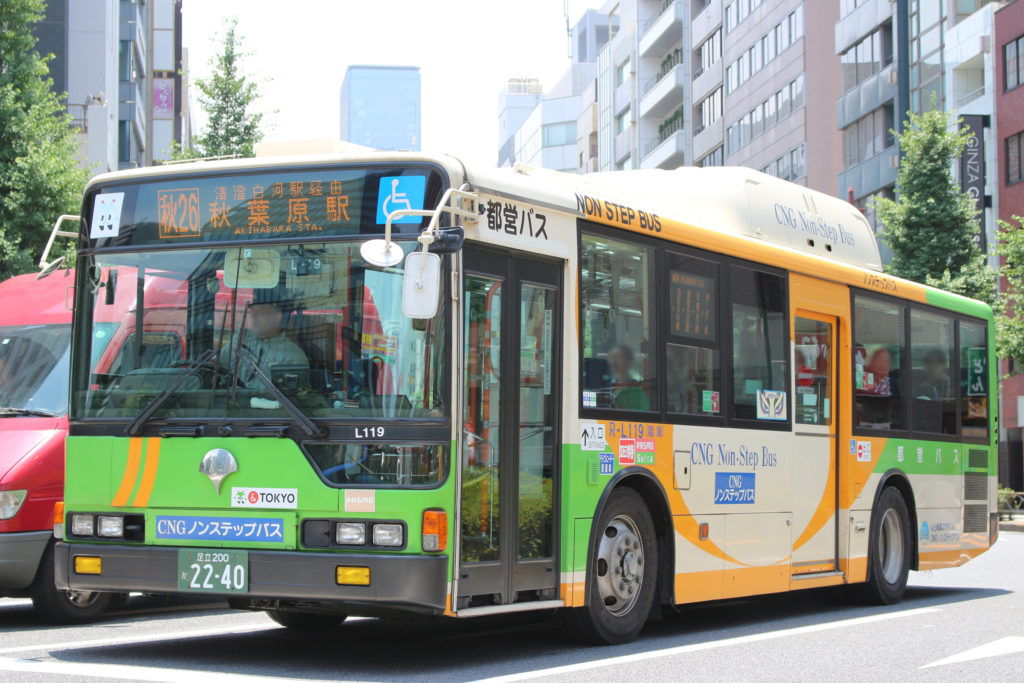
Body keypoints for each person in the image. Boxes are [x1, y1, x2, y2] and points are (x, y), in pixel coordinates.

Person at [220, 301, 308, 385]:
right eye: (252, 313)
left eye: (260, 314)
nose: (254, 317)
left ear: (277, 317)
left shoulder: (293, 356)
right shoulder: (242, 339)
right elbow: (218, 363)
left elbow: (296, 393)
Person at [608, 344, 649, 410]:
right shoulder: (608, 385)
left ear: (629, 361)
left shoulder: (636, 389)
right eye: (612, 357)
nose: (613, 361)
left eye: (618, 356)